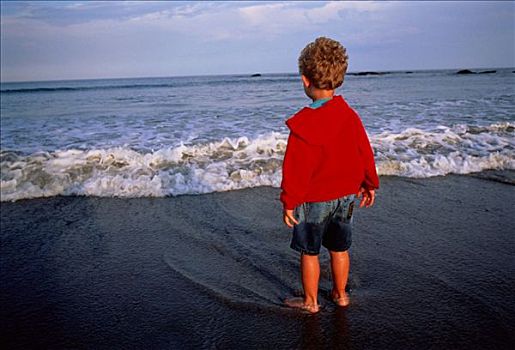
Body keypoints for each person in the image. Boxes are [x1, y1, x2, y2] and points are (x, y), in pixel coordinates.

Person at [281, 37, 379, 314]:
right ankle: (340, 294)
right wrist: (370, 183)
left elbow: (295, 168)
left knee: (310, 251)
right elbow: (364, 152)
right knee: (339, 248)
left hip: (314, 200)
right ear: (339, 79)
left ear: (305, 80)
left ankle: (311, 302)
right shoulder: (349, 115)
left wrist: (289, 201)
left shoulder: (302, 124)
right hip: (346, 195)